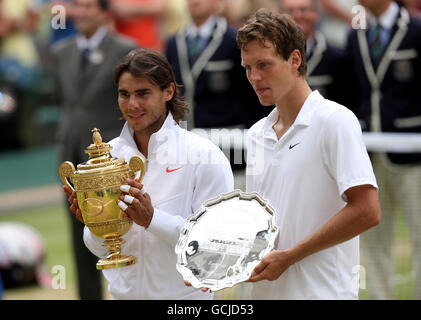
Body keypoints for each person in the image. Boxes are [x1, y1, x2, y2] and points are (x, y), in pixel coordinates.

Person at [64, 48, 234, 299]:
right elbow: (102, 251)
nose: (132, 105)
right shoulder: (107, 156)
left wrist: (153, 219)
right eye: (124, 94)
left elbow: (215, 247)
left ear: (168, 92)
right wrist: (95, 223)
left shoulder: (204, 155)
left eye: (143, 93)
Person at [237, 9, 381, 299]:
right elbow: (261, 224)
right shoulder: (255, 134)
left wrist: (290, 256)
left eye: (264, 65)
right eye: (248, 67)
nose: (254, 77)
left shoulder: (335, 121)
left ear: (295, 59)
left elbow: (367, 210)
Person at [49, 0, 137, 299]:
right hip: (73, 158)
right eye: (78, 6)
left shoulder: (125, 49)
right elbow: (67, 101)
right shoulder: (61, 53)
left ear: (104, 12)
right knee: (79, 235)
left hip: (113, 159)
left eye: (89, 6)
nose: (82, 13)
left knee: (123, 230)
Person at [346, 0, 421, 299]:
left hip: (413, 153)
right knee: (374, 238)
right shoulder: (356, 33)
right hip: (370, 153)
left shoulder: (415, 29)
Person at [279, 0, 350, 104]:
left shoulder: (337, 58)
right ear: (279, 15)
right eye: (290, 11)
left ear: (317, 13)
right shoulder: (269, 57)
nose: (297, 15)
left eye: (304, 10)